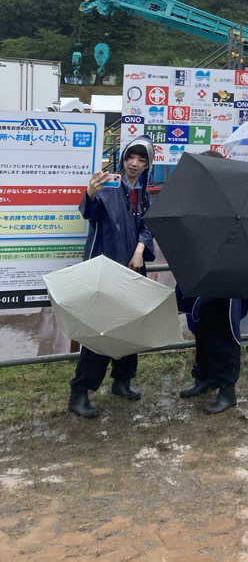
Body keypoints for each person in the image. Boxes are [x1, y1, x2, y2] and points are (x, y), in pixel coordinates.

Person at [68, 135, 156, 418]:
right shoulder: (107, 185)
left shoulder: (143, 192)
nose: (135, 164)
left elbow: (148, 225)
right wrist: (91, 193)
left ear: (148, 165)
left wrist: (140, 250)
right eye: (132, 157)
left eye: (142, 160)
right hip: (104, 270)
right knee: (99, 332)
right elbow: (90, 214)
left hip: (132, 269)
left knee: (131, 327)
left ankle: (122, 380)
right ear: (123, 158)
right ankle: (80, 392)